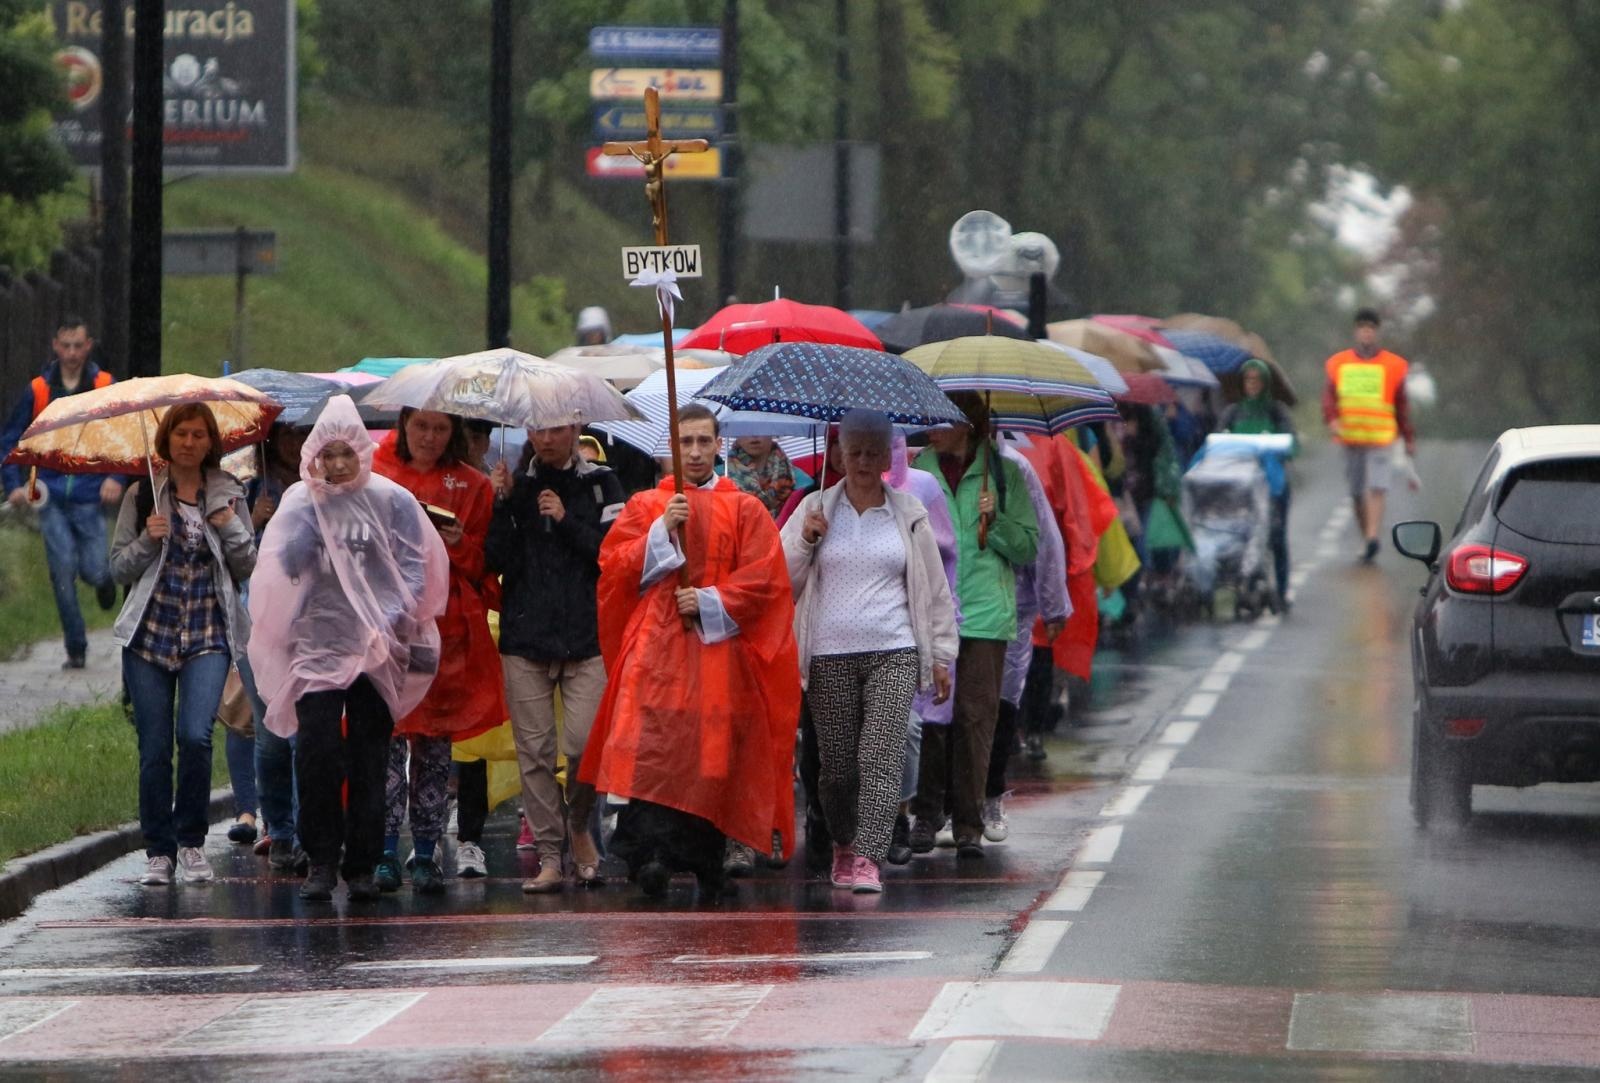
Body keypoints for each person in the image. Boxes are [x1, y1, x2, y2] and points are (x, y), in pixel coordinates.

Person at [580, 404, 800, 898]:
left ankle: (705, 855)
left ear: (720, 445)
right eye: (686, 442)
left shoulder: (744, 507)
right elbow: (613, 568)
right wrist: (661, 532)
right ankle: (651, 855)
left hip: (715, 649)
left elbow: (766, 579)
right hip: (656, 649)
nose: (696, 452)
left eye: (704, 441)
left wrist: (708, 600)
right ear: (670, 448)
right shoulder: (645, 506)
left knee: (709, 753)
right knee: (655, 749)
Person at [247, 395, 449, 902]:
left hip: (377, 647)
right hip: (317, 643)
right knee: (315, 754)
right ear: (314, 454)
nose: (336, 465)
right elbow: (283, 568)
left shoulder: (391, 501)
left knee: (368, 757)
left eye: (346, 454)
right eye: (327, 454)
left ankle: (360, 864)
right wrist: (312, 521)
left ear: (361, 450)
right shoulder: (301, 501)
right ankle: (320, 860)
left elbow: (413, 567)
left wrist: (388, 620)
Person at [780, 410, 956, 893]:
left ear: (886, 456)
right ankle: (842, 843)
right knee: (836, 768)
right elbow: (780, 578)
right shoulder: (813, 509)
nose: (861, 460)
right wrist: (804, 540)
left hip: (893, 648)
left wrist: (940, 655)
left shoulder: (909, 514)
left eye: (871, 452)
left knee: (881, 755)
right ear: (837, 454)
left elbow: (934, 589)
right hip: (828, 653)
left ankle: (868, 858)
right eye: (852, 451)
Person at [109, 404, 256, 886]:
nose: (189, 443)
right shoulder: (142, 495)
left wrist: (226, 523)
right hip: (150, 635)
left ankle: (191, 843)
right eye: (180, 434)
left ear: (211, 443)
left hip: (207, 635)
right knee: (154, 748)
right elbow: (118, 569)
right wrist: (149, 541)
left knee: (195, 736)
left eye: (198, 435)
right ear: (166, 440)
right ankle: (159, 850)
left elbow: (247, 564)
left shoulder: (228, 493)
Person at [486, 421, 626, 893]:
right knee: (536, 754)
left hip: (586, 636)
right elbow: (495, 559)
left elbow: (613, 553)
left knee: (584, 746)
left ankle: (580, 823)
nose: (548, 439)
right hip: (526, 636)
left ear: (576, 427)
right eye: (540, 430)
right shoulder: (517, 484)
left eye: (558, 429)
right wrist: (502, 503)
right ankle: (549, 854)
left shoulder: (602, 483)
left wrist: (566, 520)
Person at [372, 409, 505, 894]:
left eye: (440, 428)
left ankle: (425, 852)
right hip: (385, 627)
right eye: (420, 426)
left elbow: (483, 568)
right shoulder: (375, 473)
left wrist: (456, 543)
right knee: (383, 743)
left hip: (447, 629)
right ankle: (382, 849)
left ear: (454, 433)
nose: (429, 437)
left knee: (433, 747)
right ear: (404, 425)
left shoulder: (473, 486)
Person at [910, 392, 1038, 859]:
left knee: (974, 719)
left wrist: (996, 520)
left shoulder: (1005, 473)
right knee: (929, 716)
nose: (929, 427)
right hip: (930, 609)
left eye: (940, 419)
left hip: (986, 613)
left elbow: (1027, 547)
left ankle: (967, 825)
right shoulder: (914, 468)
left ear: (968, 423)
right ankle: (925, 816)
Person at [0, 316, 122, 668]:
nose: (71, 353)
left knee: (95, 569)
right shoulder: (38, 390)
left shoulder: (103, 386)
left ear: (89, 346)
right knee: (62, 570)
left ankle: (104, 582)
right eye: (65, 345)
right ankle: (77, 647)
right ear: (55, 346)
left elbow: (123, 435)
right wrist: (13, 485)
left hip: (90, 494)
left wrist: (115, 476)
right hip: (50, 495)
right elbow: (10, 439)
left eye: (77, 345)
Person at [987, 441, 1068, 842]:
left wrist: (1054, 605)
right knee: (952, 712)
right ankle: (950, 805)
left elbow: (1043, 540)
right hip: (955, 605)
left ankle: (990, 794)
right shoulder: (930, 464)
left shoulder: (1014, 469)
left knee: (1002, 701)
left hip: (1010, 607)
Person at [239, 422, 307, 869]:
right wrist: (253, 521)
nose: (292, 440)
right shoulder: (249, 491)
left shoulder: (319, 487)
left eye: (301, 432)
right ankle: (278, 826)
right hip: (258, 624)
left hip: (307, 623)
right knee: (270, 737)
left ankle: (305, 831)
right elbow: (235, 555)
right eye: (284, 432)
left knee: (304, 734)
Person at [1323, 309, 1414, 563]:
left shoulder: (1393, 365)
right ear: (1356, 331)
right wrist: (1332, 420)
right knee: (1355, 492)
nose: (1366, 332)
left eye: (1371, 328)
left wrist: (1408, 437)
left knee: (1377, 486)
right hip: (1350, 438)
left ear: (1377, 332)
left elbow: (1401, 404)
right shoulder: (1339, 364)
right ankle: (1367, 536)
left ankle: (1372, 536)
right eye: (1362, 327)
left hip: (1380, 438)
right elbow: (1329, 397)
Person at [1220, 358, 1298, 607]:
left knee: (1276, 536)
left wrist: (1273, 446)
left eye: (1256, 379)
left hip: (1272, 486)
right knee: (1240, 535)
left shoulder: (1275, 411)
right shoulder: (1233, 412)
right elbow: (1217, 442)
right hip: (1240, 486)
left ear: (1265, 383)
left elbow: (1292, 444)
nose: (1252, 384)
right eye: (1248, 379)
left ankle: (1282, 590)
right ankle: (1246, 582)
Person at [726, 436, 812, 521]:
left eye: (761, 426)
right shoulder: (719, 478)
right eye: (746, 426)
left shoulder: (802, 482)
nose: (753, 435)